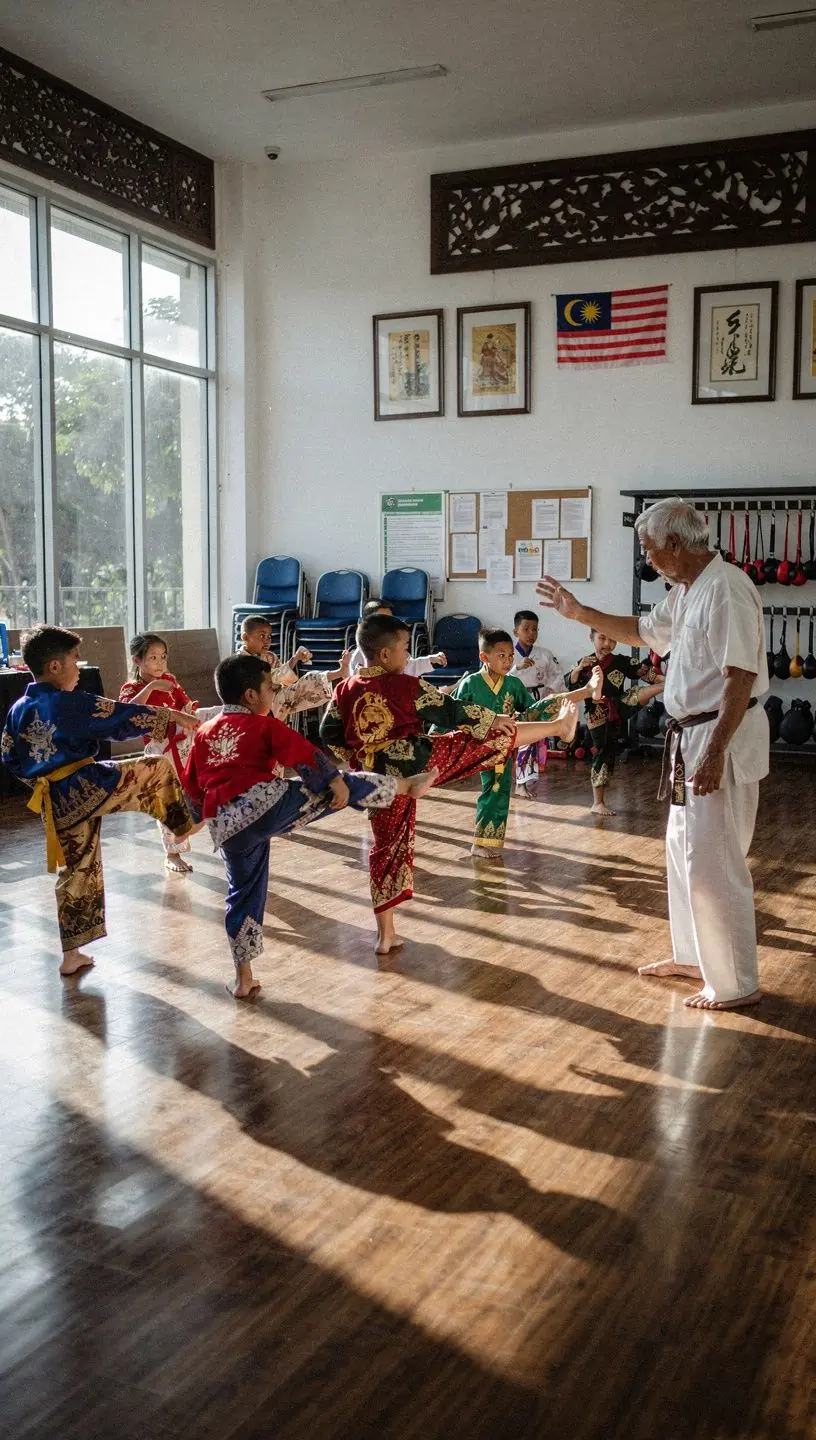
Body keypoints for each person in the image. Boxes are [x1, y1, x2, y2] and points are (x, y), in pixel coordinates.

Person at [537, 495, 769, 1012]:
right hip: (690, 737)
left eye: (648, 546)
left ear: (673, 542)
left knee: (716, 863)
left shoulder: (726, 589)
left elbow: (741, 677)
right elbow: (642, 633)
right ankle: (694, 958)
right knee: (685, 855)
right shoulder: (687, 590)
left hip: (717, 740)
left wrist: (713, 752)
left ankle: (735, 982)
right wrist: (579, 614)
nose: (646, 557)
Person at [182, 653, 437, 998]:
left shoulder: (203, 733)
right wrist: (333, 781)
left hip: (229, 826)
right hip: (267, 805)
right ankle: (406, 786)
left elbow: (193, 788)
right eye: (269, 688)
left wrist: (190, 823)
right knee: (343, 784)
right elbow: (301, 753)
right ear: (250, 696)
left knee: (241, 894)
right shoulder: (264, 724)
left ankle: (243, 979)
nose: (273, 694)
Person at [320, 614, 578, 955]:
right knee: (486, 742)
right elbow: (449, 709)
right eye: (404, 650)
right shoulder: (405, 685)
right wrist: (492, 719)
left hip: (378, 781)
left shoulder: (344, 690)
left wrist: (359, 758)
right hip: (419, 762)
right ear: (384, 656)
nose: (408, 657)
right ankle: (558, 729)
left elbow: (328, 733)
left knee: (385, 849)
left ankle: (385, 936)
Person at [1, 624, 199, 976]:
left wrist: (41, 784)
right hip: (86, 786)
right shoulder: (70, 703)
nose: (80, 669)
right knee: (154, 769)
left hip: (53, 801)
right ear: (56, 667)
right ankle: (184, 826)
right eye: (76, 661)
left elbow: (9, 757)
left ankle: (71, 954)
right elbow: (119, 719)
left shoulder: (18, 708)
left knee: (77, 871)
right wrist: (174, 716)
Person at [442, 627, 600, 859]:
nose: (507, 661)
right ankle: (480, 844)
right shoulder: (471, 683)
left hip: (504, 746)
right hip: (477, 746)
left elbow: (530, 711)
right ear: (484, 657)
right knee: (492, 789)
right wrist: (438, 740)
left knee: (500, 789)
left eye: (510, 656)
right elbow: (450, 714)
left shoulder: (513, 684)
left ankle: (587, 691)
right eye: (501, 656)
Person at [119, 633, 220, 874]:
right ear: (137, 660)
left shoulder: (171, 679)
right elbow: (127, 711)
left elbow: (184, 704)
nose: (159, 663)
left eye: (163, 657)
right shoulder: (132, 687)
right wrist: (153, 686)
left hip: (184, 743)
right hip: (159, 749)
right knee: (168, 799)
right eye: (153, 657)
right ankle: (172, 853)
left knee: (198, 788)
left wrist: (189, 710)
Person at [567, 630, 665, 816]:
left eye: (612, 638)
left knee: (641, 691)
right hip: (596, 713)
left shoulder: (620, 661)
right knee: (604, 752)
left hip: (619, 705)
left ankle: (670, 684)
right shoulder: (585, 662)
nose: (607, 643)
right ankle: (598, 802)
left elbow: (645, 673)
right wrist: (578, 669)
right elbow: (571, 685)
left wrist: (663, 678)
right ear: (591, 638)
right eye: (602, 638)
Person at [239, 615, 351, 721]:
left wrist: (296, 659)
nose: (267, 641)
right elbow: (273, 677)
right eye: (262, 636)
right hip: (255, 707)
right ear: (245, 637)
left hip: (277, 700)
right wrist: (294, 659)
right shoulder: (239, 661)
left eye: (269, 637)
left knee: (310, 681)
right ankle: (340, 677)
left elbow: (283, 680)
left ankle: (339, 676)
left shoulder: (270, 657)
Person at [510, 609, 565, 796]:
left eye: (535, 629)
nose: (531, 633)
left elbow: (558, 675)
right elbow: (495, 674)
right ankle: (517, 782)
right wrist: (516, 668)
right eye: (526, 629)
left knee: (530, 740)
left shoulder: (544, 654)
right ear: (515, 631)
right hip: (511, 700)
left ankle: (522, 783)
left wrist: (549, 689)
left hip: (535, 699)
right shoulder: (508, 654)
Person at [348, 600, 447, 678]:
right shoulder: (360, 656)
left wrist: (429, 660)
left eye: (390, 620)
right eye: (382, 621)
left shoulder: (395, 645)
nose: (389, 626)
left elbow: (408, 667)